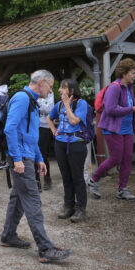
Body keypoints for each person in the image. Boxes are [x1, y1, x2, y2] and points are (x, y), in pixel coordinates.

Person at [0, 70, 71, 263]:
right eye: (50, 86)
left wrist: (39, 158)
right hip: (21, 158)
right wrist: (17, 159)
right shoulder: (23, 99)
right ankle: (45, 248)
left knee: (18, 198)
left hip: (26, 156)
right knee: (32, 200)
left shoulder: (31, 101)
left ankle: (8, 235)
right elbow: (10, 128)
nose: (51, 91)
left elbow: (30, 135)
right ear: (41, 82)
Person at [88, 58, 135, 202]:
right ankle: (93, 180)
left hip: (127, 129)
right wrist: (132, 109)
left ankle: (122, 189)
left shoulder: (129, 87)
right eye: (133, 73)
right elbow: (110, 109)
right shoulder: (114, 88)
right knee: (116, 158)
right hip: (113, 129)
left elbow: (127, 107)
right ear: (124, 73)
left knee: (127, 159)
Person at [47, 79, 88, 223]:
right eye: (60, 87)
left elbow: (74, 121)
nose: (59, 90)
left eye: (63, 87)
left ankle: (81, 208)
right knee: (66, 177)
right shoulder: (58, 105)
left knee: (77, 177)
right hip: (60, 143)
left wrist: (67, 105)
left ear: (72, 90)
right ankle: (68, 205)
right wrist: (54, 131)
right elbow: (49, 118)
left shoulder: (81, 104)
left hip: (76, 144)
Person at [37, 91, 54, 191]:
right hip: (34, 126)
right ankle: (36, 180)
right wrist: (42, 104)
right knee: (33, 154)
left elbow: (49, 109)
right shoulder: (34, 92)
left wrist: (38, 102)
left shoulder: (50, 93)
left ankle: (47, 177)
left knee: (43, 154)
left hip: (44, 126)